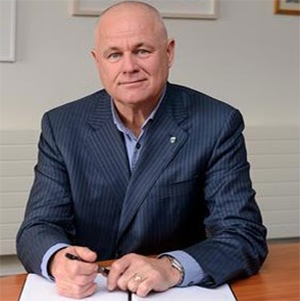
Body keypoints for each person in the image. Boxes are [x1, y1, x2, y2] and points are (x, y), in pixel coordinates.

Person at [16, 1, 268, 299]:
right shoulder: (62, 126)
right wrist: (59, 260)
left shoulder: (217, 123)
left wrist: (172, 267)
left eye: (142, 51)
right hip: (96, 291)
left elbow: (243, 234)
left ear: (169, 52)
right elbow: (38, 227)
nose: (129, 67)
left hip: (174, 292)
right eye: (114, 55)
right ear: (98, 61)